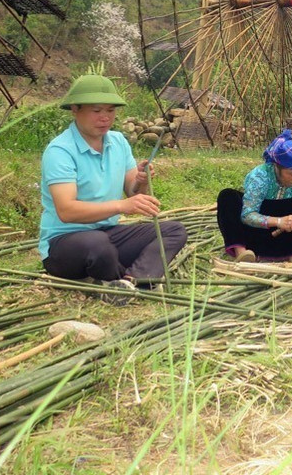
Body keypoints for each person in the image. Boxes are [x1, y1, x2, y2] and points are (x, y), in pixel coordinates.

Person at [38, 74, 188, 304]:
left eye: (110, 110)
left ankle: (131, 281)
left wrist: (141, 181)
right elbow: (66, 211)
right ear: (75, 109)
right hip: (66, 243)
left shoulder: (118, 142)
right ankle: (118, 275)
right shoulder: (60, 151)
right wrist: (121, 206)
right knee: (98, 246)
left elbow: (133, 192)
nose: (105, 117)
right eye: (96, 111)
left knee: (173, 231)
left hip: (107, 233)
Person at [217, 129, 292, 262]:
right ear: (277, 167)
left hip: (281, 242)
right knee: (228, 196)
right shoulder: (260, 176)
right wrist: (278, 221)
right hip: (253, 238)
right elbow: (247, 215)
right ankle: (242, 253)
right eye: (291, 173)